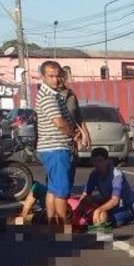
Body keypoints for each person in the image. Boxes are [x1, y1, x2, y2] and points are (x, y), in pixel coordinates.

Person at [35, 60, 84, 225]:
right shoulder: (48, 97)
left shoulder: (53, 94)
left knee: (53, 189)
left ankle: (52, 225)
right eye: (51, 76)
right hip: (55, 148)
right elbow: (59, 122)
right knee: (62, 191)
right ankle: (63, 226)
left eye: (58, 76)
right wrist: (73, 135)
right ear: (43, 76)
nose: (55, 80)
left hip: (51, 148)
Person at [78, 147, 134, 229]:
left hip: (125, 207)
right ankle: (93, 229)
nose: (97, 164)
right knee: (87, 203)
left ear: (107, 161)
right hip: (109, 204)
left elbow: (115, 201)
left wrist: (98, 210)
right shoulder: (94, 174)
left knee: (101, 216)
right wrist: (77, 212)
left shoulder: (117, 175)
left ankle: (101, 238)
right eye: (94, 161)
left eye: (100, 160)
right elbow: (84, 196)